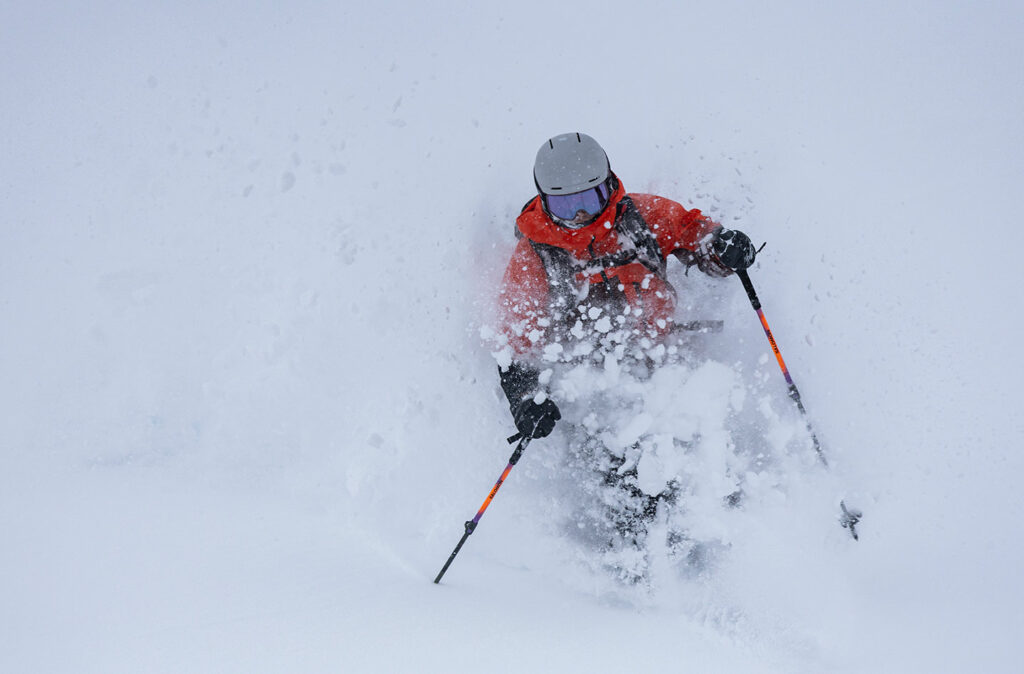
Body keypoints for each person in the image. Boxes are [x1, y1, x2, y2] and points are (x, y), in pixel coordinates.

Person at [496, 132, 757, 442]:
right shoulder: (535, 256)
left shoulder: (642, 217)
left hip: (664, 359)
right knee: (621, 456)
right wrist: (525, 400)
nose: (580, 215)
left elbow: (695, 237)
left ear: (607, 186)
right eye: (566, 205)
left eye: (589, 200)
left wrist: (723, 248)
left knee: (702, 427)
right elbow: (516, 344)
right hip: (591, 387)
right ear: (544, 200)